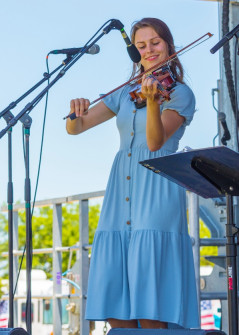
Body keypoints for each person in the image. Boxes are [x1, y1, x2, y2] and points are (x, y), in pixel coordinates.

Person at [66, 17, 199, 330]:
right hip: (121, 188)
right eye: (141, 45)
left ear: (168, 45)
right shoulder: (126, 92)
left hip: (157, 186)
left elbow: (155, 142)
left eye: (155, 42)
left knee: (150, 300)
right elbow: (77, 128)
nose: (149, 50)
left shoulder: (180, 94)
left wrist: (153, 103)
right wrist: (75, 112)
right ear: (135, 51)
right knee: (117, 302)